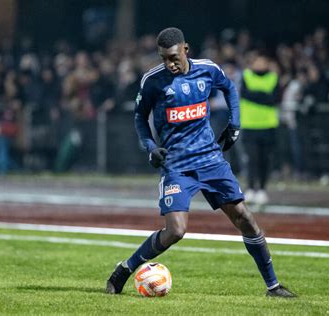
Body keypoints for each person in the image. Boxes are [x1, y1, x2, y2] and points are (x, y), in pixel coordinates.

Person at [105, 27, 295, 298]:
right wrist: (151, 147)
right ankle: (125, 268)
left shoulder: (207, 69)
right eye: (163, 58)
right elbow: (139, 117)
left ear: (186, 49)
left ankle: (273, 287)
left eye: (173, 57)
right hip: (177, 164)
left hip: (210, 159)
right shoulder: (152, 81)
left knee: (246, 219)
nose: (169, 63)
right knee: (176, 231)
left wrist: (235, 125)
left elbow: (229, 88)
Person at [240, 53, 280, 205]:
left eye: (263, 61)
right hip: (250, 125)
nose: (260, 64)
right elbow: (245, 94)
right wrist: (264, 96)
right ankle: (250, 188)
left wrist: (255, 95)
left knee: (265, 160)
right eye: (258, 61)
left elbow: (275, 99)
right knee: (252, 159)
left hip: (268, 125)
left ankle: (262, 189)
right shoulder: (247, 75)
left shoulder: (273, 78)